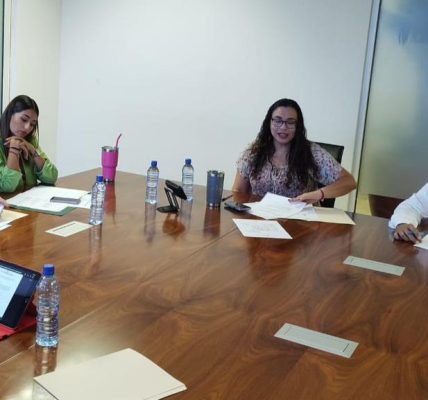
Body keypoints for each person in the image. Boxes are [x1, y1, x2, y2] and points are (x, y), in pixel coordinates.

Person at [232, 98, 356, 203]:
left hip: (300, 220)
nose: (283, 127)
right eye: (278, 120)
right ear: (269, 122)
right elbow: (238, 191)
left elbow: (349, 182)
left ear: (298, 126)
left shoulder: (312, 153)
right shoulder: (254, 152)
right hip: (259, 219)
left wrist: (320, 194)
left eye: (290, 122)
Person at [0, 95, 58, 192]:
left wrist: (33, 151)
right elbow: (7, 186)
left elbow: (52, 177)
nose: (27, 127)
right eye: (24, 119)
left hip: (30, 199)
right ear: (10, 114)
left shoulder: (30, 140)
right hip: (8, 201)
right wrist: (14, 149)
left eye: (32, 124)